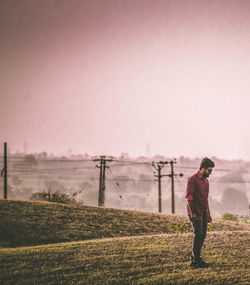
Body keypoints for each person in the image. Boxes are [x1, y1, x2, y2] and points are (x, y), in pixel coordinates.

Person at [186, 157, 215, 268]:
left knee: (203, 235)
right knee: (198, 235)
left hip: (203, 213)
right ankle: (195, 261)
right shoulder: (193, 179)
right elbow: (189, 196)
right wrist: (193, 212)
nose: (210, 173)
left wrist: (208, 214)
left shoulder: (206, 181)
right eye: (209, 170)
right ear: (203, 169)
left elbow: (205, 199)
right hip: (195, 212)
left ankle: (195, 258)